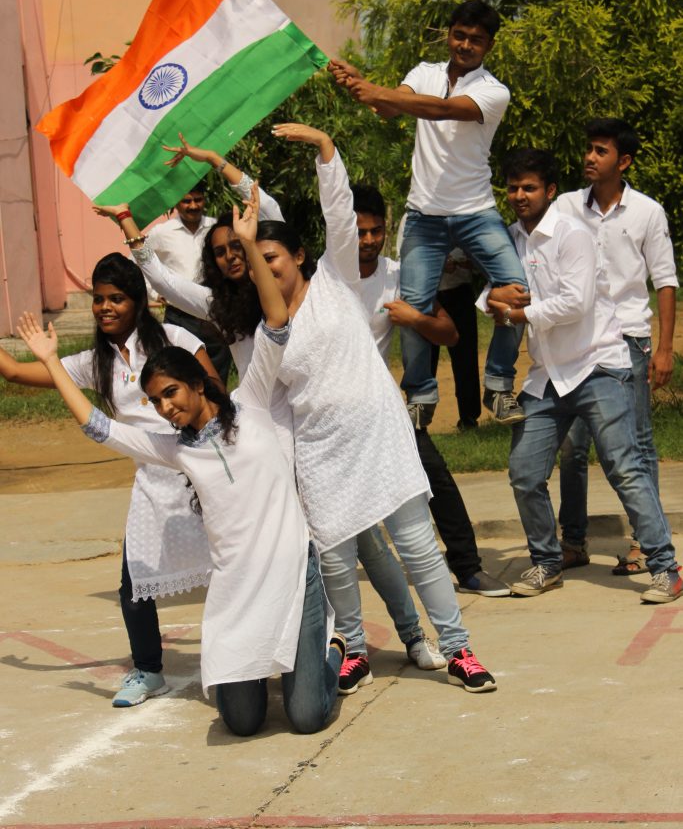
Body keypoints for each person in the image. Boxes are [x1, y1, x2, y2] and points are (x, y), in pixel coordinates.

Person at [108, 126, 497, 696]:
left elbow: (332, 212)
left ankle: (455, 646)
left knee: (413, 545)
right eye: (244, 256)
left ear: (297, 255)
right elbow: (167, 281)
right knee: (338, 559)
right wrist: (133, 235)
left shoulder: (336, 280)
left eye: (269, 255)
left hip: (378, 433)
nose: (259, 264)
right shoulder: (255, 319)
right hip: (311, 445)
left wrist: (324, 150)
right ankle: (355, 650)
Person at [16, 187, 344, 738]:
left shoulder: (257, 402)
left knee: (308, 717)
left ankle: (329, 651)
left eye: (171, 394)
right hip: (237, 590)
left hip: (292, 573)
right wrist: (49, 361)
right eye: (156, 402)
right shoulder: (175, 450)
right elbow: (101, 429)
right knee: (242, 723)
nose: (165, 409)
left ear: (198, 383)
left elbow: (278, 320)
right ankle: (271, 662)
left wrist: (245, 242)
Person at [0, 253, 217, 707]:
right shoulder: (93, 362)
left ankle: (241, 654)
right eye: (98, 299)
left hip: (199, 471)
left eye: (116, 298)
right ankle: (148, 670)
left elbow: (216, 396)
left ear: (138, 301)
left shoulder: (175, 339)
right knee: (134, 582)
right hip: (150, 479)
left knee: (229, 566)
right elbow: (16, 371)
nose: (104, 307)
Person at [484, 148, 681, 604]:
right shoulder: (509, 239)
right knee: (524, 472)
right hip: (547, 376)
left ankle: (665, 567)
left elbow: (576, 303)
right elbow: (489, 295)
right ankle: (547, 562)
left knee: (624, 466)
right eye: (513, 187)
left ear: (550, 192)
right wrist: (498, 300)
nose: (519, 195)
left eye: (529, 187)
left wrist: (517, 311)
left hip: (597, 366)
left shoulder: (571, 234)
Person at [330, 0, 529, 427]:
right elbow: (390, 107)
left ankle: (498, 385)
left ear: (488, 45)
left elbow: (440, 110)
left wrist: (379, 92)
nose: (466, 44)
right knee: (413, 305)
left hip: (475, 210)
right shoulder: (424, 73)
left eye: (476, 39)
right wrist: (359, 85)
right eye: (460, 35)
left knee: (518, 290)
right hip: (424, 213)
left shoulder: (493, 90)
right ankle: (420, 395)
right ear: (449, 34)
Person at [351, 182, 509, 598]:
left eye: (375, 231)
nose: (368, 241)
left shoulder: (399, 277)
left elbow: (451, 334)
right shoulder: (322, 276)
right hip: (326, 411)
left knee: (434, 479)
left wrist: (414, 319)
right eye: (359, 231)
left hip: (382, 406)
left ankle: (469, 569)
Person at [555, 119, 679, 574]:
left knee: (637, 445)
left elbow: (665, 282)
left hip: (629, 340)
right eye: (588, 149)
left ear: (623, 161)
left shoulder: (648, 212)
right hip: (578, 341)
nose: (589, 157)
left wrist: (663, 350)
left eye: (600, 151)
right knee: (572, 444)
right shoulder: (566, 206)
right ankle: (573, 541)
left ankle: (648, 543)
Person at [146, 169, 232, 383]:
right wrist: (155, 294)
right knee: (181, 370)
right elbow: (138, 262)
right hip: (179, 314)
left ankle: (219, 412)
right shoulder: (161, 232)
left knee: (217, 368)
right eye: (186, 201)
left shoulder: (215, 228)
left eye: (198, 200)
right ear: (176, 203)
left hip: (214, 310)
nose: (193, 206)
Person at [432, 248, 482, 430]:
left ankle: (469, 419)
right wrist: (438, 264)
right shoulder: (411, 219)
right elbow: (404, 259)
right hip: (428, 294)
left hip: (460, 293)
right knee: (424, 359)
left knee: (466, 357)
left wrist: (469, 262)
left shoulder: (467, 218)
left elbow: (481, 259)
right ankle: (419, 421)